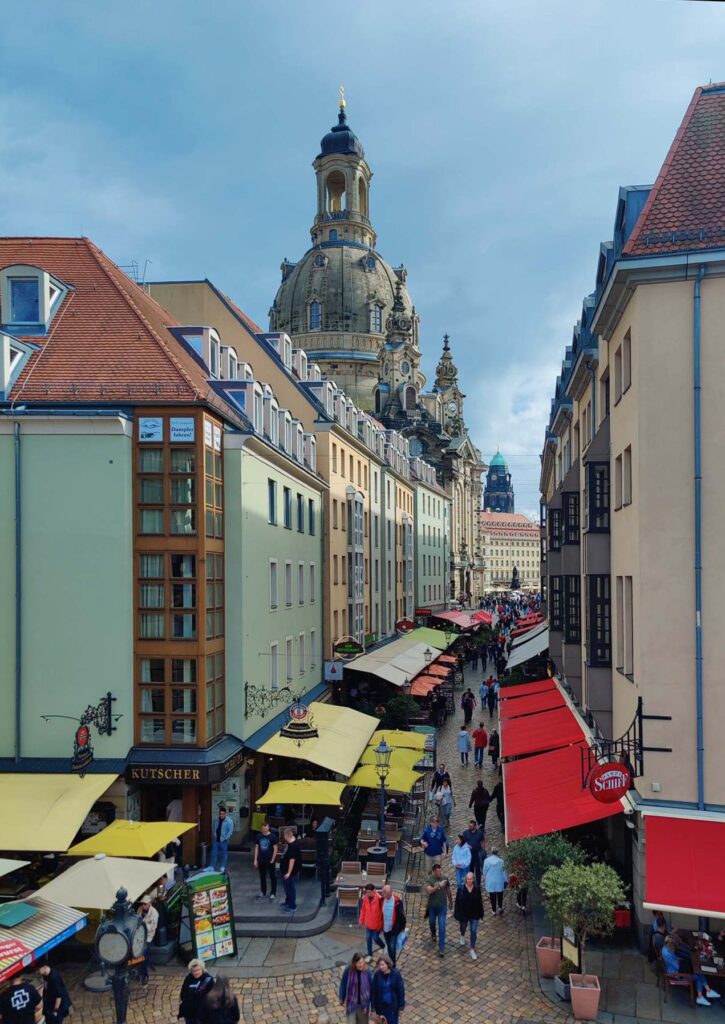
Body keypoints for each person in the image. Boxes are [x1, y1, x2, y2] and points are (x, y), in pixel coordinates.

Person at [661, 937, 720, 1006]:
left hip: (674, 969)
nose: (675, 946)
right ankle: (704, 994)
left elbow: (676, 960)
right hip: (675, 973)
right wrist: (685, 964)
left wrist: (680, 960)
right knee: (698, 974)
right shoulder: (667, 953)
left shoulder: (665, 948)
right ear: (670, 943)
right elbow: (677, 967)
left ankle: (705, 992)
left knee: (698, 973)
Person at [454, 871, 484, 960]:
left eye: (471, 879)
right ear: (466, 880)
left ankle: (472, 948)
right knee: (463, 927)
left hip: (474, 914)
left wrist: (481, 913)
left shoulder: (477, 890)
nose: (469, 881)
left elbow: (480, 902)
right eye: (468, 879)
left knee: (473, 931)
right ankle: (462, 935)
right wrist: (457, 914)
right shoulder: (461, 890)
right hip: (464, 914)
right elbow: (457, 903)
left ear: (473, 880)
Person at [425, 863, 453, 957]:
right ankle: (433, 934)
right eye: (437, 872)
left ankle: (441, 948)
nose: (439, 874)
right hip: (432, 907)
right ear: (433, 872)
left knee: (442, 926)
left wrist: (450, 902)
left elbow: (448, 891)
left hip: (442, 906)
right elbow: (429, 891)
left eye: (440, 871)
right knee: (432, 922)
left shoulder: (445, 878)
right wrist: (438, 886)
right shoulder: (429, 879)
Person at [338, 951, 373, 1024]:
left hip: (363, 1006)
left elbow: (371, 990)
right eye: (359, 963)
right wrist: (341, 997)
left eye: (362, 962)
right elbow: (343, 984)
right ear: (354, 963)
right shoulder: (348, 970)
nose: (361, 965)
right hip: (351, 1004)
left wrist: (367, 1005)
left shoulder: (368, 972)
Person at [371, 955, 406, 1024]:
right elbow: (373, 991)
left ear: (388, 964)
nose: (381, 967)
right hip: (381, 1007)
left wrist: (401, 1007)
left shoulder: (396, 974)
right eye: (379, 965)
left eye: (383, 965)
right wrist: (373, 1008)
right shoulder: (377, 975)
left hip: (392, 1007)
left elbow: (400, 991)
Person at [177, 960, 214, 1024]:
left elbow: (213, 997)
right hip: (189, 1013)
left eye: (198, 970)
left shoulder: (208, 980)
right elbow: (183, 993)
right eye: (194, 971)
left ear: (202, 969)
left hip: (202, 1013)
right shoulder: (188, 978)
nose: (196, 973)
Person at [380, 883, 406, 967]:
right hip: (385, 929)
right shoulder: (382, 900)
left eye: (386, 893)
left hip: (394, 929)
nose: (384, 895)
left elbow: (401, 916)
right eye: (384, 893)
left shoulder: (397, 902)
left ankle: (393, 963)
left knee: (392, 947)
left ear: (391, 892)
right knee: (389, 946)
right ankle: (391, 960)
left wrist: (402, 927)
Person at [358, 883, 386, 963]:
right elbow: (363, 910)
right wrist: (361, 920)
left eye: (369, 892)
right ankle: (370, 954)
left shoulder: (379, 900)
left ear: (374, 891)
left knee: (375, 938)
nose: (367, 894)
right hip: (368, 924)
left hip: (377, 925)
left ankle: (383, 946)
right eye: (366, 892)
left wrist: (381, 925)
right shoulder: (366, 898)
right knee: (368, 939)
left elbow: (382, 914)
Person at [253, 821, 278, 901]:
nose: (264, 830)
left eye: (266, 828)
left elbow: (275, 848)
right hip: (261, 859)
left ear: (268, 827)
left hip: (270, 859)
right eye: (263, 828)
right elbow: (256, 848)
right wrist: (255, 860)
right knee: (262, 876)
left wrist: (273, 859)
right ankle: (263, 892)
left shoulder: (273, 836)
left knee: (272, 876)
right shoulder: (259, 836)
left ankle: (273, 893)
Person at [137, 894, 159, 983]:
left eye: (145, 904)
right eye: (142, 903)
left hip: (148, 936)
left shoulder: (154, 913)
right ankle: (139, 972)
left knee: (144, 955)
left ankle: (144, 974)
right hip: (139, 935)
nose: (143, 905)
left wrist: (143, 925)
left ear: (149, 904)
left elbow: (153, 927)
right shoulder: (139, 910)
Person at [279, 827, 299, 913]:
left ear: (287, 835)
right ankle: (288, 901)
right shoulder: (289, 844)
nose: (283, 837)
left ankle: (292, 906)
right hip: (284, 869)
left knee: (290, 888)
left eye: (284, 835)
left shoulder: (293, 846)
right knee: (286, 887)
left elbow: (292, 860)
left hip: (289, 872)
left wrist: (288, 873)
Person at [483, 848, 508, 915]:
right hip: (499, 880)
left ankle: (493, 910)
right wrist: (506, 880)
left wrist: (485, 877)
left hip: (490, 880)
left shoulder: (486, 861)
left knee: (492, 896)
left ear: (491, 852)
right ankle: (500, 907)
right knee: (500, 895)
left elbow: (484, 871)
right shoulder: (501, 861)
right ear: (497, 853)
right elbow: (504, 872)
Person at [462, 819, 486, 887]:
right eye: (469, 826)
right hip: (469, 856)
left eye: (471, 826)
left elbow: (483, 840)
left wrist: (483, 849)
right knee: (470, 870)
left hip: (477, 855)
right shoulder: (465, 833)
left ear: (475, 826)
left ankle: (478, 884)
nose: (469, 827)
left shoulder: (479, 833)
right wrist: (466, 845)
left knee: (478, 870)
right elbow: (462, 842)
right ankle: (471, 883)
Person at [210, 805, 233, 873]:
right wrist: (214, 833)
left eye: (223, 814)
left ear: (225, 814)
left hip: (224, 840)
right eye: (220, 814)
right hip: (216, 839)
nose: (221, 815)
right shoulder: (216, 819)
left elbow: (230, 831)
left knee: (224, 854)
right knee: (214, 853)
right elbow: (214, 827)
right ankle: (212, 866)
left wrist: (226, 838)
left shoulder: (229, 821)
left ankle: (222, 866)